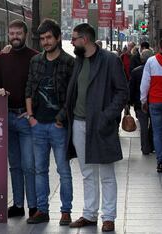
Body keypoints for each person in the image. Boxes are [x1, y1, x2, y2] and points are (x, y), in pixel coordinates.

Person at [66, 23, 128, 232]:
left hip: (100, 125)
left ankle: (108, 216)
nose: (72, 42)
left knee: (107, 173)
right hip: (78, 122)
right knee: (87, 173)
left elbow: (122, 92)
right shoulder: (78, 60)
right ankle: (90, 214)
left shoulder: (110, 60)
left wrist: (106, 116)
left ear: (84, 39)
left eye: (74, 39)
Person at [24, 19, 74, 225]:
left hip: (58, 125)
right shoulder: (36, 61)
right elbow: (28, 88)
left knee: (63, 170)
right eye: (42, 38)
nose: (45, 42)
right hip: (38, 125)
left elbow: (72, 95)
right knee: (39, 170)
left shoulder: (69, 62)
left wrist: (61, 119)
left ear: (58, 37)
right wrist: (30, 117)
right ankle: (42, 210)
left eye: (49, 38)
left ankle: (66, 210)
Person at [0, 19, 38, 218]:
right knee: (15, 165)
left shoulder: (35, 57)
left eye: (18, 33)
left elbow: (38, 88)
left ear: (25, 34)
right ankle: (18, 205)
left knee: (29, 165)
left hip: (25, 118)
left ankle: (34, 206)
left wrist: (31, 111)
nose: (15, 36)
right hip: (8, 117)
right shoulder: (2, 58)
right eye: (11, 33)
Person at [140, 39, 162, 173]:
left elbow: (145, 83)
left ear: (159, 46)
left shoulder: (151, 62)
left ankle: (160, 161)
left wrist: (143, 100)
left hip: (155, 102)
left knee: (157, 132)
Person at [130, 49, 154, 155]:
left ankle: (145, 148)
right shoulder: (156, 69)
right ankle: (152, 145)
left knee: (143, 127)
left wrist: (129, 102)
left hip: (140, 103)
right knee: (154, 126)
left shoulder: (135, 71)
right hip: (154, 101)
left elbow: (132, 88)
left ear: (141, 58)